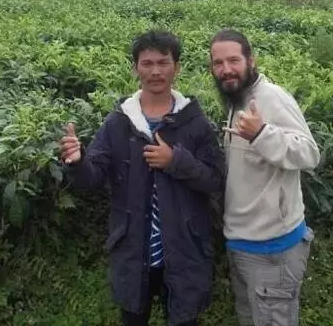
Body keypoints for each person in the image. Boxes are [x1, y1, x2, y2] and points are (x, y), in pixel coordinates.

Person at [60, 30, 225, 326]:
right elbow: (92, 178)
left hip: (185, 250)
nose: (156, 71)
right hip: (134, 252)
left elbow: (215, 180)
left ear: (177, 67)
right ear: (135, 68)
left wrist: (175, 161)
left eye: (163, 62)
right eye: (147, 63)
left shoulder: (195, 122)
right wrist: (78, 161)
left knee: (185, 319)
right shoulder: (119, 122)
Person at [208, 28, 321, 326]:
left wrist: (261, 134)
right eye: (218, 63)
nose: (226, 69)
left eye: (234, 60)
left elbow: (309, 153)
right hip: (241, 243)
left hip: (274, 249)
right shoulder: (236, 100)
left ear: (251, 60)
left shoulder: (271, 98)